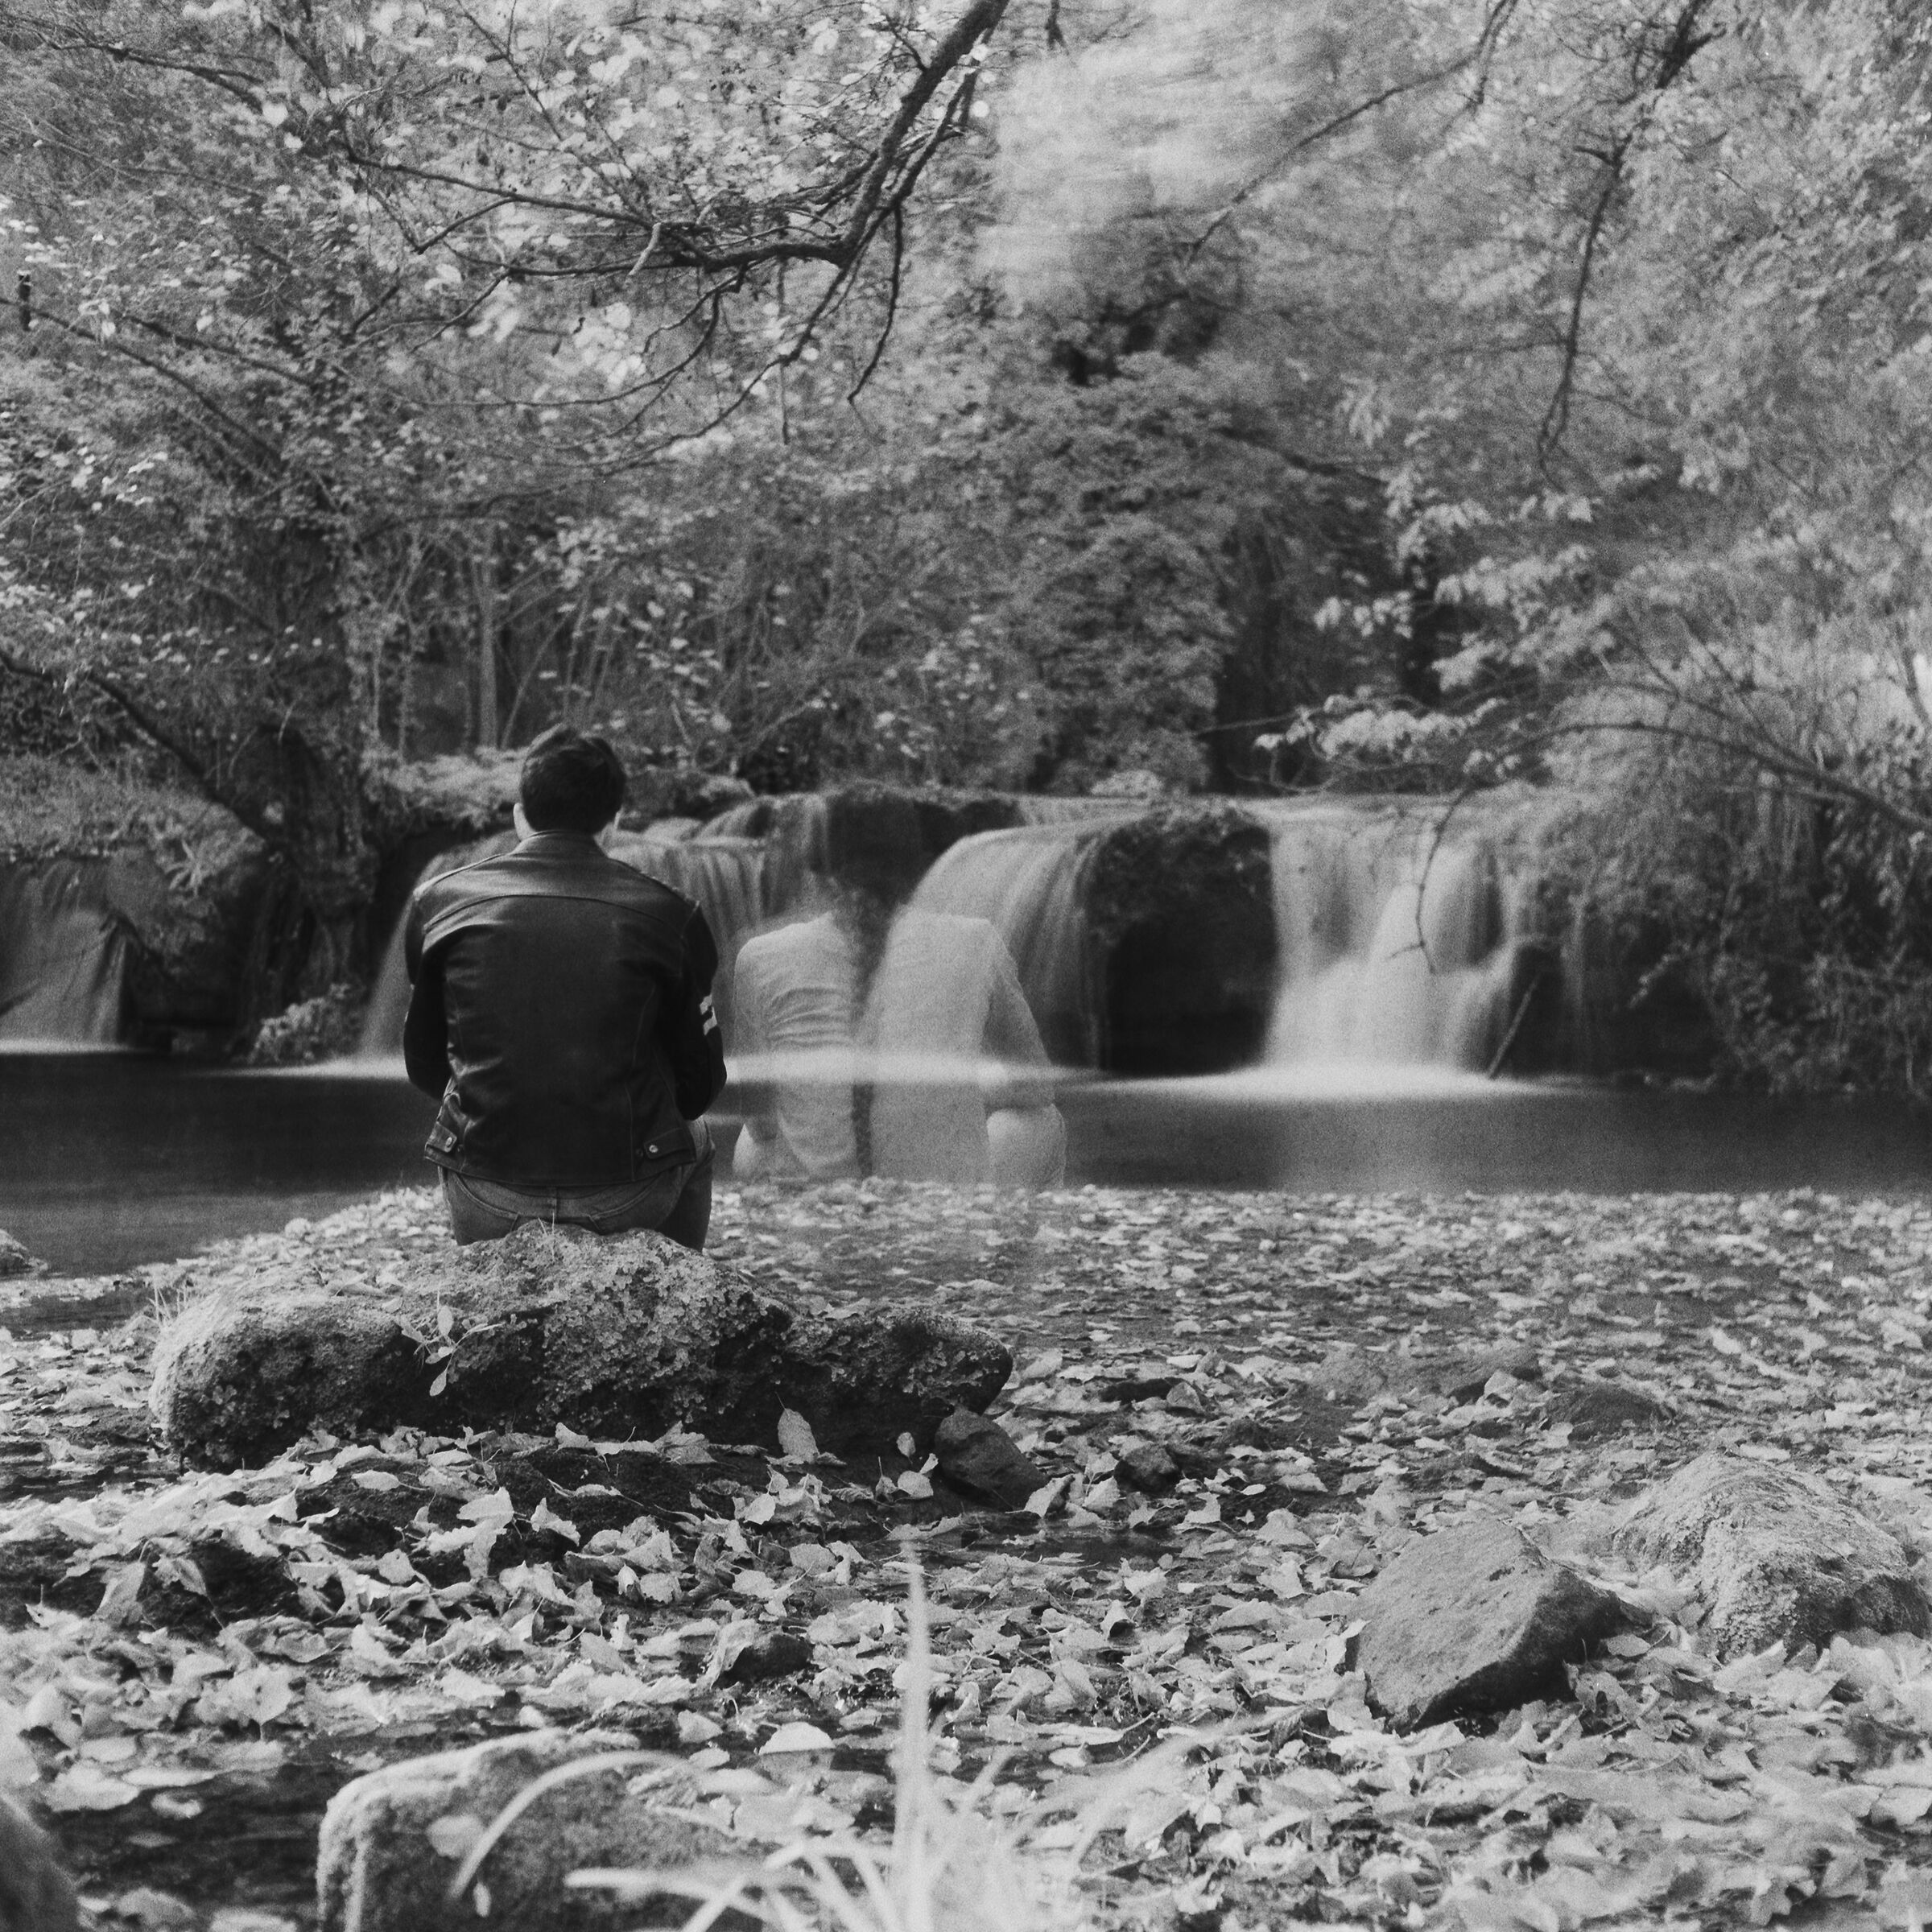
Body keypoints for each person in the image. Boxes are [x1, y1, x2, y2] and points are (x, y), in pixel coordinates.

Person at [402, 728, 726, 1247]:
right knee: (698, 1140)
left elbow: (423, 1067)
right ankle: (678, 1289)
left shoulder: (437, 904)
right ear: (615, 822)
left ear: (519, 816)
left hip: (487, 1195)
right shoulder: (671, 915)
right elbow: (699, 1087)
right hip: (629, 1198)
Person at [731, 794, 1065, 1186]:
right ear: (918, 866)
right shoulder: (977, 942)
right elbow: (1036, 1086)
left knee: (751, 1143)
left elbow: (759, 1121)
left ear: (821, 867)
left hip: (813, 1225)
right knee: (1043, 1120)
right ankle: (1020, 1245)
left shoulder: (759, 956)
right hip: (948, 1226)